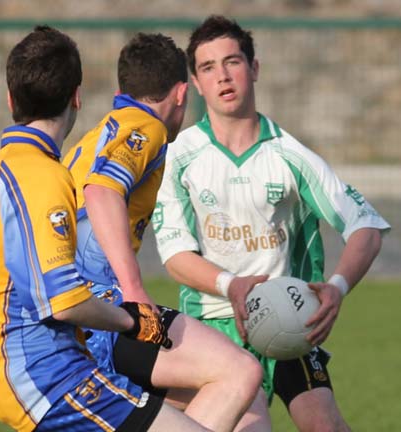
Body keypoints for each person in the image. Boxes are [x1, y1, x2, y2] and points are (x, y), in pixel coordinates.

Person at [0, 25, 217, 432]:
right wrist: (130, 319)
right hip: (48, 376)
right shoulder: (45, 176)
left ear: (11, 99)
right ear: (77, 98)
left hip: (15, 370)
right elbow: (63, 301)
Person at [153, 15, 391, 432]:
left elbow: (365, 227)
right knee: (250, 426)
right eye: (208, 67)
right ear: (195, 83)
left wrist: (336, 288)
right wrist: (233, 285)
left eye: (233, 62)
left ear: (254, 68)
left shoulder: (290, 156)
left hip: (290, 320)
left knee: (326, 427)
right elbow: (175, 256)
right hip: (213, 326)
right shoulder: (179, 157)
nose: (223, 76)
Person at [63, 32, 263, 431]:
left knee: (244, 400)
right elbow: (102, 191)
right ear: (180, 94)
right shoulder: (145, 128)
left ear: (123, 90)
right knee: (240, 373)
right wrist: (133, 289)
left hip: (76, 312)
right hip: (100, 311)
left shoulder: (102, 131)